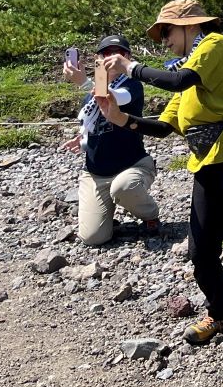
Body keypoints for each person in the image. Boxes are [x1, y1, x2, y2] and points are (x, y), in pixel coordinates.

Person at [97, 0, 223, 358]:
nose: (165, 41)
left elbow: (179, 81)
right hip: (207, 158)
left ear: (190, 25)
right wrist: (122, 119)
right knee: (201, 245)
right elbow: (163, 127)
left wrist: (131, 67)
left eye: (167, 31)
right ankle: (220, 312)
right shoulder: (190, 69)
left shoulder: (215, 46)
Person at [61, 34, 160, 245]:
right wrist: (81, 140)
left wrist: (84, 81)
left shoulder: (133, 85)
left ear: (128, 58)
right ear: (98, 59)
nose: (111, 58)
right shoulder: (91, 90)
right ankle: (107, 218)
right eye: (105, 54)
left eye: (118, 53)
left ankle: (150, 214)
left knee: (123, 187)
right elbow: (93, 124)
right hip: (96, 172)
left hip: (131, 166)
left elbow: (114, 97)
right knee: (92, 238)